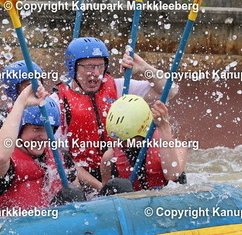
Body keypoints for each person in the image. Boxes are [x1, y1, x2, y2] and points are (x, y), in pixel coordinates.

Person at [52, 37, 178, 192]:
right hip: (82, 178)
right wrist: (101, 188)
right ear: (73, 68)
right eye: (89, 67)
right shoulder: (57, 102)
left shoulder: (119, 87)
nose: (96, 73)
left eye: (100, 66)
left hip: (117, 169)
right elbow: (60, 160)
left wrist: (143, 68)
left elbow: (170, 91)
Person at [0, 85, 84, 210]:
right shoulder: (7, 165)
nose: (43, 137)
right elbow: (0, 157)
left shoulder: (60, 156)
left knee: (73, 194)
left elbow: (79, 198)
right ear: (20, 129)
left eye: (48, 129)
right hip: (17, 221)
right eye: (36, 129)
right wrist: (21, 103)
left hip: (53, 220)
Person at [100, 95, 187, 193]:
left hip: (164, 199)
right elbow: (105, 197)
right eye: (119, 140)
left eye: (128, 139)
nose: (123, 144)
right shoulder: (109, 158)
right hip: (133, 200)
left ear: (143, 129)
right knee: (117, 185)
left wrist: (164, 127)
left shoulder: (177, 146)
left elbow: (172, 175)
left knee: (179, 179)